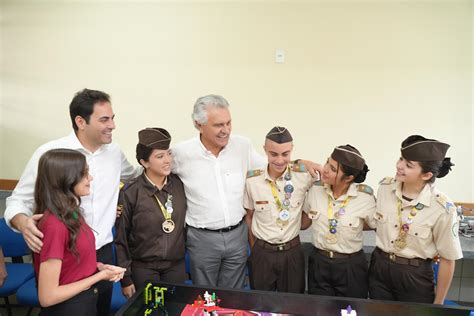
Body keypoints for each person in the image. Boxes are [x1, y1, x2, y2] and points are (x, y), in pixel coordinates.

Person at [4, 88, 140, 314]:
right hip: (65, 257)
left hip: (102, 254)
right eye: (104, 119)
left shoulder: (114, 153)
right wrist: (22, 223)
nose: (113, 125)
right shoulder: (50, 154)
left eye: (113, 118)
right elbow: (17, 201)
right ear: (81, 121)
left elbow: (135, 175)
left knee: (100, 310)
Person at [172, 94, 266, 289]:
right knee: (204, 296)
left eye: (229, 123)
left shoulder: (242, 146)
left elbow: (271, 168)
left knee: (234, 297)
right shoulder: (182, 153)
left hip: (237, 235)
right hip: (202, 239)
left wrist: (302, 164)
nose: (226, 130)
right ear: (199, 124)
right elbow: (149, 171)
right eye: (218, 125)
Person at [368, 135, 462, 304]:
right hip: (380, 268)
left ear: (426, 175)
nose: (399, 166)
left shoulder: (441, 207)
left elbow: (448, 259)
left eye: (408, 165)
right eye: (401, 159)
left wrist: (438, 303)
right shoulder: (385, 188)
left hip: (414, 275)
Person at [33, 148, 125, 315]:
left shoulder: (72, 213)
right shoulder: (54, 225)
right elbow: (47, 296)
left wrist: (100, 266)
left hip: (85, 303)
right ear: (65, 179)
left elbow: (71, 263)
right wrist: (100, 276)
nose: (90, 178)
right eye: (84, 174)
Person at [115, 128, 187, 299]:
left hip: (175, 266)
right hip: (143, 268)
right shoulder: (131, 192)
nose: (168, 160)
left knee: (175, 310)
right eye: (160, 156)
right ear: (144, 162)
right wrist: (125, 279)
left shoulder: (179, 186)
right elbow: (121, 239)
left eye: (169, 154)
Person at [243, 126, 313, 293]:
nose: (280, 160)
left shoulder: (303, 177)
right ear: (265, 150)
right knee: (261, 304)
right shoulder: (253, 180)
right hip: (262, 253)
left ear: (292, 150)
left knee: (293, 305)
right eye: (274, 154)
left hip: (292, 253)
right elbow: (249, 217)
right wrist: (255, 250)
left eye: (285, 154)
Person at [302, 145, 376, 298]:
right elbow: (304, 223)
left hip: (350, 266)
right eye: (327, 163)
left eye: (334, 169)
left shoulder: (365, 197)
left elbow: (374, 225)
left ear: (349, 178)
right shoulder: (315, 190)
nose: (326, 169)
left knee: (351, 309)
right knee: (318, 309)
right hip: (319, 262)